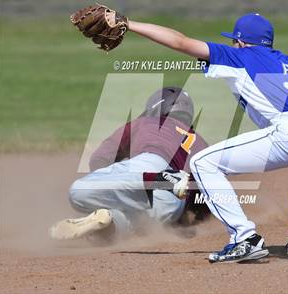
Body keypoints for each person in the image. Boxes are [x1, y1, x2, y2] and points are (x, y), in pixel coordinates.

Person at [123, 12, 288, 263]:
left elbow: (180, 41)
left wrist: (129, 24)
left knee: (203, 163)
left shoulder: (237, 56)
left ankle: (245, 238)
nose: (233, 44)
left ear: (242, 42)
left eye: (235, 40)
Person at [50, 87, 209, 243]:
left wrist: (112, 188)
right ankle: (110, 219)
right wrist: (185, 217)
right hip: (172, 202)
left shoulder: (143, 122)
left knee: (77, 192)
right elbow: (204, 195)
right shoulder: (200, 141)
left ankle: (161, 178)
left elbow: (99, 159)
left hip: (146, 168)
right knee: (139, 221)